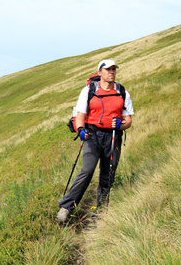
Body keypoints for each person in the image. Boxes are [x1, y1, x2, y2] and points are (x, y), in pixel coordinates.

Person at [57, 59, 134, 223]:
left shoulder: (122, 91)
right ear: (100, 73)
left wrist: (121, 125)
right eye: (108, 69)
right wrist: (81, 130)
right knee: (88, 169)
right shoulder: (89, 90)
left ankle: (101, 209)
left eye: (114, 69)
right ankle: (66, 206)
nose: (111, 72)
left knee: (108, 172)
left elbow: (128, 120)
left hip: (113, 136)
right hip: (92, 135)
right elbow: (80, 116)